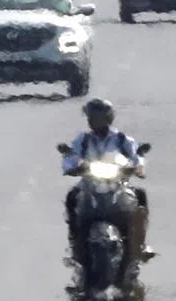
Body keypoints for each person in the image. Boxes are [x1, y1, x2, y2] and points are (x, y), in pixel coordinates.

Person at [62, 98, 155, 266]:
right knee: (71, 197)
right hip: (89, 186)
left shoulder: (121, 139)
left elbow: (136, 156)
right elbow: (71, 157)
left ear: (109, 118)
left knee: (140, 195)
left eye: (97, 117)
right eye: (91, 117)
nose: (93, 121)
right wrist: (72, 167)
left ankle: (140, 246)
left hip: (117, 185)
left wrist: (136, 167)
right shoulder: (82, 140)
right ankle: (75, 245)